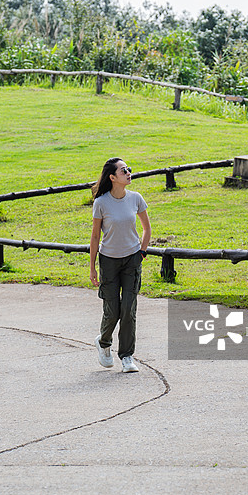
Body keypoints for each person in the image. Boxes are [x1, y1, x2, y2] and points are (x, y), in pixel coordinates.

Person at [90, 157, 151, 373]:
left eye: (128, 169)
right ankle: (104, 342)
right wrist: (92, 267)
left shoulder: (136, 198)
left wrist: (142, 252)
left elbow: (147, 228)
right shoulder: (101, 203)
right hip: (108, 261)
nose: (128, 173)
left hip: (132, 259)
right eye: (123, 170)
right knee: (112, 310)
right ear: (112, 177)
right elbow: (95, 236)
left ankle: (127, 356)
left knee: (128, 309)